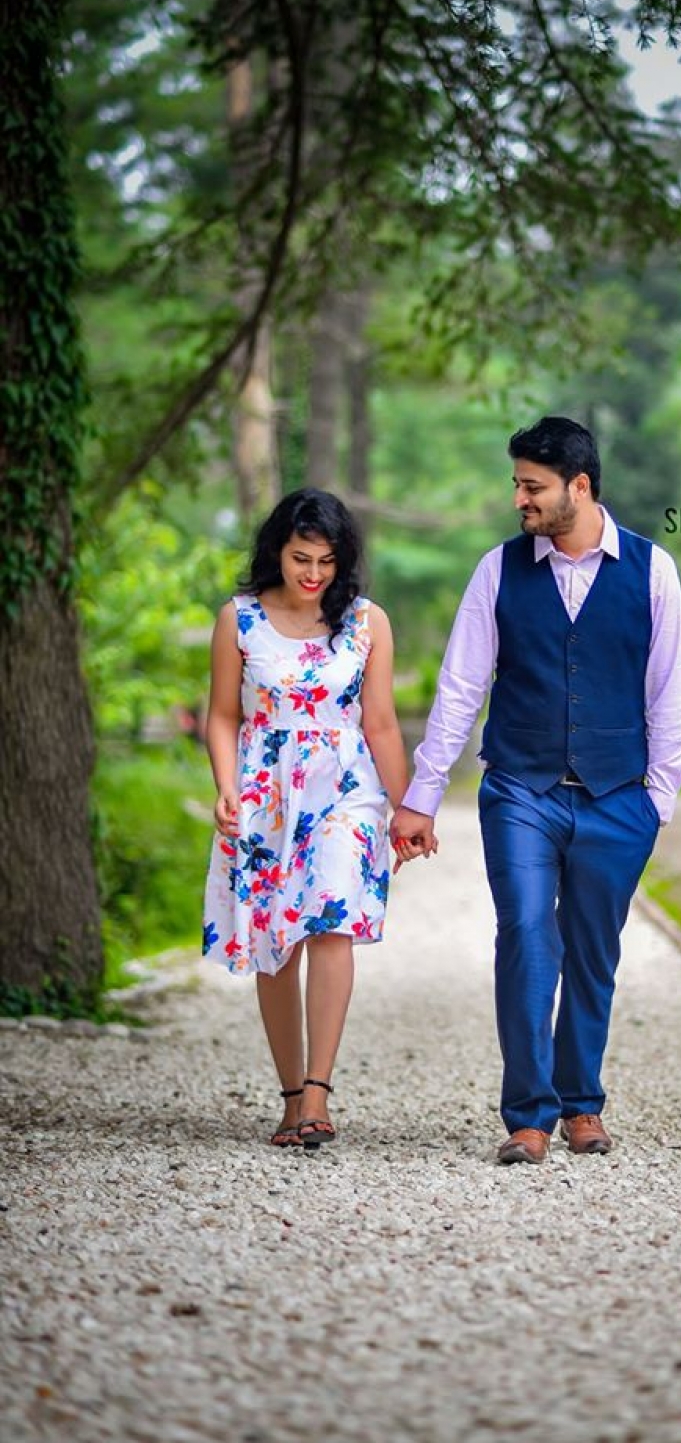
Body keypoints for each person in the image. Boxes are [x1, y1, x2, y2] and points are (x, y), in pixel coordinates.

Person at [391, 417, 681, 1165]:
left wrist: (655, 802)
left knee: (593, 951)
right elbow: (460, 688)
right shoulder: (497, 570)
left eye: (533, 486)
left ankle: (582, 1103)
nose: (519, 499)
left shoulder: (652, 571)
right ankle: (528, 1115)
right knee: (526, 936)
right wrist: (422, 794)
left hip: (617, 798)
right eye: (517, 484)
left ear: (578, 487)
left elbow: (670, 693)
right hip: (520, 789)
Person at [202, 488, 427, 1148]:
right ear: (277, 550)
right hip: (265, 791)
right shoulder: (239, 619)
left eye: (327, 562)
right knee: (277, 941)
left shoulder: (366, 622)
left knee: (332, 921)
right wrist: (226, 787)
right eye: (302, 558)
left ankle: (319, 1093)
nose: (314, 574)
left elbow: (380, 723)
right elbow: (223, 716)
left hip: (346, 788)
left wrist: (407, 808)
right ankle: (290, 1096)